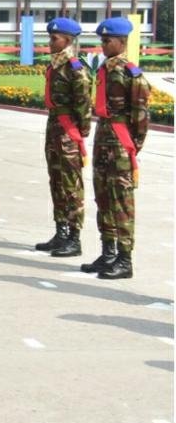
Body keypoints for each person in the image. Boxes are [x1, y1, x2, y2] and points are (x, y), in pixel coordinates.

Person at [81, 17, 150, 280]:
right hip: (103, 141)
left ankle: (124, 259)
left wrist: (131, 149)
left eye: (107, 40)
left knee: (122, 202)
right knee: (103, 198)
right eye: (102, 40)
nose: (103, 44)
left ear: (122, 42)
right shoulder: (104, 71)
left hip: (121, 145)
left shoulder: (132, 74)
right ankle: (107, 253)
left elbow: (141, 118)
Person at [33, 17, 90, 257]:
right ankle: (61, 232)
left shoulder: (76, 69)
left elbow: (84, 107)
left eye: (54, 38)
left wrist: (79, 134)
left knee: (71, 185)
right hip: (54, 127)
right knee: (56, 180)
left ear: (67, 40)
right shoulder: (55, 65)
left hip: (68, 131)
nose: (50, 42)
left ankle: (74, 238)